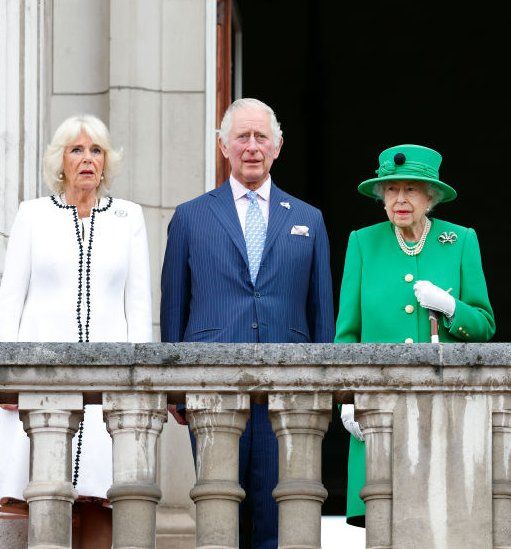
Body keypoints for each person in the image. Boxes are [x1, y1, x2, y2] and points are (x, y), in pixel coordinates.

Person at [160, 98, 334, 548]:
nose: (252, 147)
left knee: (281, 520)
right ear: (223, 145)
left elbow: (321, 315)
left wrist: (326, 387)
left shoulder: (309, 220)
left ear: (278, 146)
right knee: (220, 519)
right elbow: (174, 307)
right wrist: (175, 388)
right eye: (242, 137)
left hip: (288, 395)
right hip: (212, 390)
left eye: (261, 137)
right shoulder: (190, 216)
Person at [0, 114, 152, 547]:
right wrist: (8, 380)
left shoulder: (129, 217)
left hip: (108, 390)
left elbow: (138, 305)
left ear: (106, 162)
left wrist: (140, 384)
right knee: (33, 496)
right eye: (77, 150)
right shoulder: (32, 216)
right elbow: (10, 300)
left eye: (96, 150)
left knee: (99, 496)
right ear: (60, 161)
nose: (87, 159)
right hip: (37, 383)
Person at [336, 144, 495, 526]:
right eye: (391, 190)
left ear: (431, 196)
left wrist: (450, 307)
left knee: (442, 520)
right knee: (384, 518)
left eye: (411, 189)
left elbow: (484, 324)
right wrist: (347, 397)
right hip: (379, 408)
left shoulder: (460, 241)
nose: (400, 199)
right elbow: (347, 334)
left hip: (443, 407)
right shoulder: (362, 243)